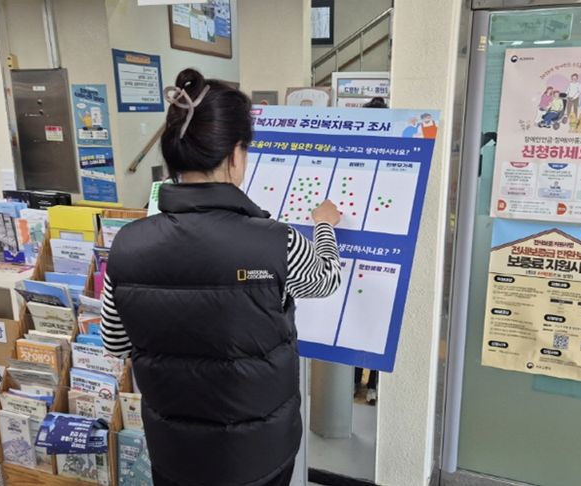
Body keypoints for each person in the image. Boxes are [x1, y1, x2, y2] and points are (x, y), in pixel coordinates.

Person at [100, 69, 343, 486]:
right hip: (259, 455)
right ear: (234, 155)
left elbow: (116, 342)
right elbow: (326, 278)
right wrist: (324, 225)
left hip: (174, 452)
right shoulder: (276, 242)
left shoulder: (127, 244)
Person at [351, 97, 386, 406]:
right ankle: (368, 384)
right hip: (375, 256)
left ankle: (362, 383)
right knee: (370, 324)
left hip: (365, 256)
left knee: (365, 323)